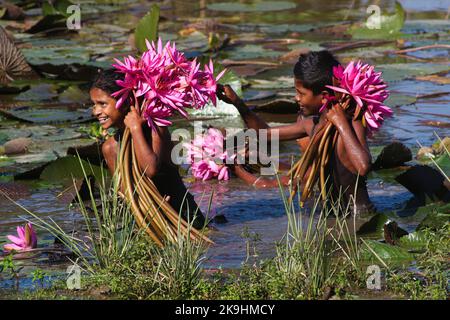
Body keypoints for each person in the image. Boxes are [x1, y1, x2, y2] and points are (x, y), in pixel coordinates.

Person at [217, 51, 375, 214]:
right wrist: (238, 103)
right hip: (332, 214)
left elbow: (363, 166)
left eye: (301, 93)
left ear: (324, 96)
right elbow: (264, 133)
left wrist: (341, 124)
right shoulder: (311, 125)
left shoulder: (353, 121)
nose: (296, 98)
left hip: (359, 216)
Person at [90, 69, 206, 228]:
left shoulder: (156, 129)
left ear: (125, 102)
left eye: (102, 104)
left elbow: (150, 169)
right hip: (147, 221)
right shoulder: (110, 148)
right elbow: (126, 194)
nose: (95, 111)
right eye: (93, 104)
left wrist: (135, 128)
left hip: (185, 217)